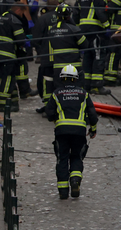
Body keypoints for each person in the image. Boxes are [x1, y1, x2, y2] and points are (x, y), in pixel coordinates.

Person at [45, 64, 98, 199]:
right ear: (76, 78)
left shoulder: (56, 94)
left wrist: (56, 120)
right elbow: (93, 114)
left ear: (62, 78)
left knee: (62, 158)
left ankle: (63, 192)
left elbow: (49, 113)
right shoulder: (84, 94)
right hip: (79, 132)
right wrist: (93, 129)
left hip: (61, 131)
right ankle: (75, 181)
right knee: (77, 157)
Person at [0, 3, 28, 111]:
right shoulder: (14, 20)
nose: (22, 15)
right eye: (22, 13)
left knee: (0, 76)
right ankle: (3, 104)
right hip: (7, 54)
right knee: (8, 78)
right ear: (18, 10)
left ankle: (13, 101)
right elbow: (20, 39)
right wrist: (26, 42)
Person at [76, 0, 110, 95]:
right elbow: (100, 11)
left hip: (83, 31)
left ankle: (86, 84)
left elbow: (75, 14)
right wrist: (107, 26)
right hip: (95, 30)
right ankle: (97, 85)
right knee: (98, 56)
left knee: (87, 57)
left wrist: (77, 29)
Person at [32, 0, 63, 113]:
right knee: (60, 82)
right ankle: (59, 105)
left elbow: (36, 39)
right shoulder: (64, 17)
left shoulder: (43, 19)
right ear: (58, 4)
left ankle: (48, 107)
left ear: (47, 6)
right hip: (62, 58)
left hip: (47, 58)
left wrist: (40, 51)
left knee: (46, 82)